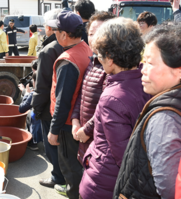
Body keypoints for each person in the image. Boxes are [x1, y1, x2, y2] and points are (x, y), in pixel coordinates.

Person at [79, 17, 150, 199]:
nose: (98, 60)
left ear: (110, 59)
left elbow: (124, 157)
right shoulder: (148, 82)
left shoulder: (112, 98)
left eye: (99, 55)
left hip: (104, 185)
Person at [114, 23, 181, 199]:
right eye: (143, 62)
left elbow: (170, 189)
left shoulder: (165, 119)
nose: (142, 69)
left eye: (150, 63)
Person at [47, 11, 93, 199]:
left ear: (64, 34)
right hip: (80, 118)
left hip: (67, 125)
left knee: (71, 171)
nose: (53, 34)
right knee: (79, 167)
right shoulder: (86, 48)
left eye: (56, 30)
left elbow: (62, 101)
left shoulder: (67, 60)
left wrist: (53, 130)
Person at [71, 11, 115, 167]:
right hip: (84, 137)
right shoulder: (93, 62)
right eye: (91, 33)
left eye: (100, 33)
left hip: (99, 140)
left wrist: (86, 130)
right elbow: (82, 95)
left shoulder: (111, 67)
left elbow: (106, 109)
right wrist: (75, 120)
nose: (94, 38)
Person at [31, 8, 65, 189]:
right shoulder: (72, 44)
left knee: (52, 144)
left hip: (49, 106)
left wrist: (36, 109)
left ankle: (57, 177)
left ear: (51, 28)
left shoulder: (49, 50)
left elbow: (41, 86)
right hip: (65, 104)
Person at [19, 71, 43, 150]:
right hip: (51, 126)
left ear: (34, 81)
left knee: (30, 114)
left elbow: (21, 108)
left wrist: (26, 93)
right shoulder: (53, 90)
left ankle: (32, 142)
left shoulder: (34, 94)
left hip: (39, 123)